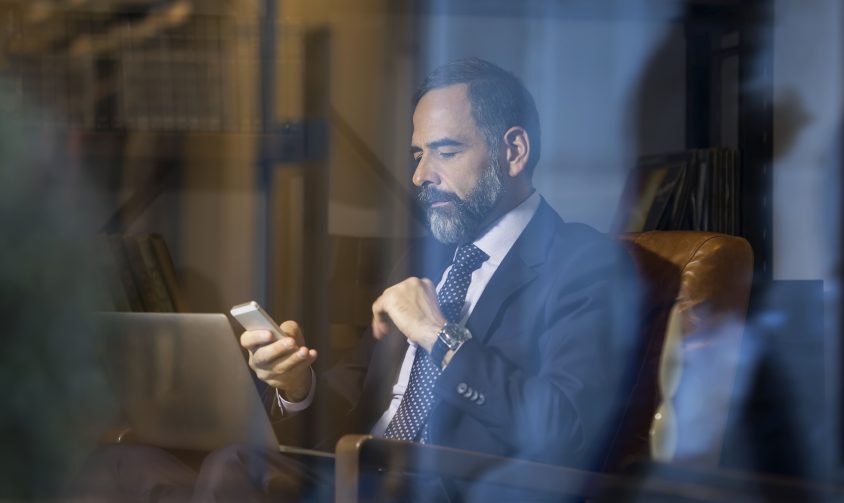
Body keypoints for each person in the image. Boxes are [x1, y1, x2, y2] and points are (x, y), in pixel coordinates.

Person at [74, 57, 641, 502]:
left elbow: (564, 429)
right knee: (120, 463)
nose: (421, 176)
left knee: (232, 470)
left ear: (513, 151)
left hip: (439, 487)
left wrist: (439, 337)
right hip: (351, 475)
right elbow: (361, 390)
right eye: (417, 154)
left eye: (445, 152)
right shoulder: (426, 262)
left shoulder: (583, 264)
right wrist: (299, 387)